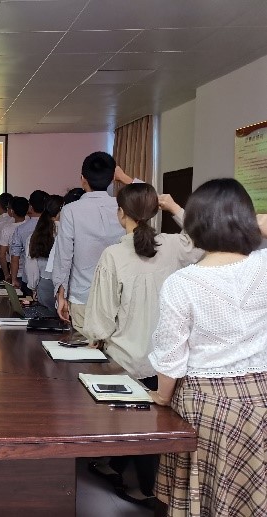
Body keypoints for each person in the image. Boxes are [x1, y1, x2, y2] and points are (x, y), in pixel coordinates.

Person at [148, 179, 267, 517]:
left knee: (206, 497)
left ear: (195, 224)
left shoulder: (182, 282)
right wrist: (258, 224)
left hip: (206, 403)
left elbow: (172, 357)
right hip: (261, 396)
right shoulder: (263, 265)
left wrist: (162, 397)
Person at [82, 183, 203, 508]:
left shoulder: (113, 255)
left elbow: (102, 318)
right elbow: (205, 240)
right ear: (153, 211)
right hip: (167, 361)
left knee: (130, 425)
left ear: (121, 213)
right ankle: (118, 467)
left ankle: (145, 489)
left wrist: (95, 336)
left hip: (126, 360)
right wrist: (175, 208)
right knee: (150, 425)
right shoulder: (175, 245)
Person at [52, 153, 134, 333]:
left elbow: (64, 256)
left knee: (86, 349)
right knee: (115, 349)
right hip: (119, 297)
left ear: (83, 179)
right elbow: (151, 198)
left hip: (82, 297)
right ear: (112, 178)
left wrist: (60, 294)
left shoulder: (70, 210)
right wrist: (124, 178)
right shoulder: (124, 207)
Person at [25, 194, 64, 316]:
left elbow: (31, 266)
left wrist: (33, 287)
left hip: (44, 285)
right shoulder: (67, 232)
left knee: (47, 322)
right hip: (65, 286)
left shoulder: (35, 236)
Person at [9, 190, 48, 295]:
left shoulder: (21, 229)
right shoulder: (54, 226)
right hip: (49, 278)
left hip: (28, 277)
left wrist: (14, 279)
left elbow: (15, 257)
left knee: (28, 303)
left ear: (30, 207)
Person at [0, 196, 29, 282]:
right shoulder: (32, 226)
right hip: (31, 274)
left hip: (16, 274)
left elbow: (2, 255)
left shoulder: (7, 229)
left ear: (12, 211)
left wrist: (7, 275)